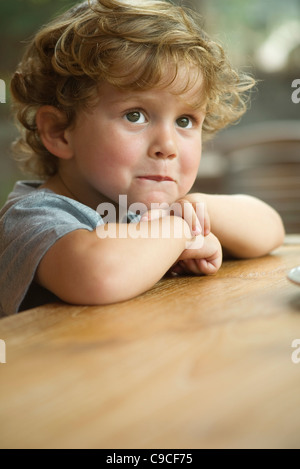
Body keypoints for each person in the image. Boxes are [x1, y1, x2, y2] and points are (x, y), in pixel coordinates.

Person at [0, 0, 285, 317]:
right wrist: (181, 231)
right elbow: (98, 275)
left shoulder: (143, 209)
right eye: (135, 115)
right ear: (60, 132)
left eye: (184, 121)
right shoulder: (33, 217)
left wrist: (193, 209)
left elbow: (270, 228)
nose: (167, 145)